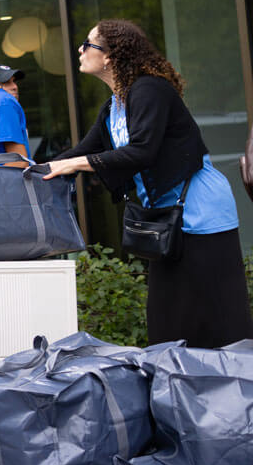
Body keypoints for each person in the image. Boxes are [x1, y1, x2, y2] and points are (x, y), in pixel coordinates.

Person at [45, 19, 252, 348]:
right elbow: (84, 151)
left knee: (217, 319)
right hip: (167, 220)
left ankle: (235, 391)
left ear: (110, 56)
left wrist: (72, 164)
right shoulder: (115, 105)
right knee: (167, 321)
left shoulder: (150, 89)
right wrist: (31, 171)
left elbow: (142, 150)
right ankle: (179, 390)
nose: (80, 50)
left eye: (88, 44)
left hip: (202, 214)